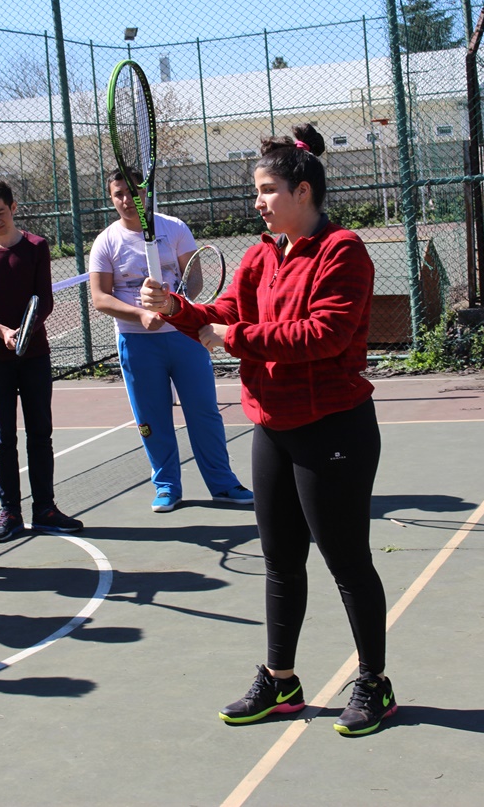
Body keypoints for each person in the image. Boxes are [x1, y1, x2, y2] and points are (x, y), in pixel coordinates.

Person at [140, 125, 397, 737]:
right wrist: (180, 311)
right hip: (272, 426)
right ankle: (281, 681)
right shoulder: (261, 254)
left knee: (347, 560)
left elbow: (324, 334)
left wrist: (235, 339)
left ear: (302, 191)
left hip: (334, 427)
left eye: (266, 189)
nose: (258, 201)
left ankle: (375, 684)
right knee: (281, 561)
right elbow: (226, 315)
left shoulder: (343, 251)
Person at [89, 168, 253, 513]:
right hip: (137, 342)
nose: (126, 200)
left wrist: (175, 305)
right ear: (111, 198)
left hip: (185, 336)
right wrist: (141, 315)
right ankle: (166, 487)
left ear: (146, 192)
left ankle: (223, 484)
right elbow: (100, 298)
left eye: (132, 192)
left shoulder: (174, 228)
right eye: (118, 194)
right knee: (152, 417)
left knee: (204, 411)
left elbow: (193, 277)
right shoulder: (106, 241)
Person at [0, 179, 82, 542]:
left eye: (0, 212)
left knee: (40, 433)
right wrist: (1, 331)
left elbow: (43, 299)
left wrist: (25, 333)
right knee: (3, 438)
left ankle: (44, 508)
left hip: (35, 356)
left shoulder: (36, 247)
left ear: (13, 208)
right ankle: (9, 511)